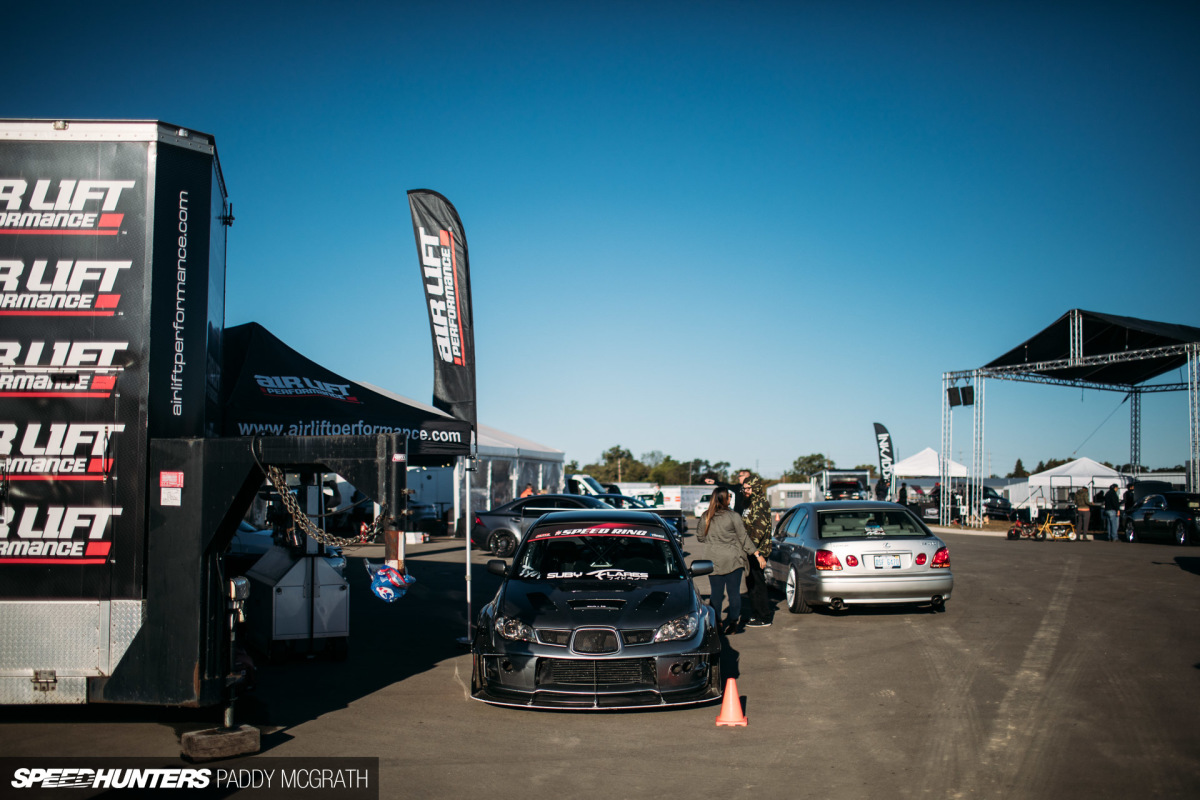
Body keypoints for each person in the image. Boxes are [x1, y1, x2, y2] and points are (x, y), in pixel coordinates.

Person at [695, 487, 759, 635]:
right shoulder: (733, 516)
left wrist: (713, 539)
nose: (730, 498)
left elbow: (700, 537)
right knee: (734, 593)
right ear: (723, 498)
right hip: (733, 559)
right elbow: (743, 537)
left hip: (713, 559)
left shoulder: (706, 516)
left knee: (716, 594)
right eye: (729, 496)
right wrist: (756, 553)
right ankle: (734, 623)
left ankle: (717, 622)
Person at [740, 476, 774, 627]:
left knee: (758, 584)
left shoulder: (760, 503)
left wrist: (753, 550)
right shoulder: (749, 503)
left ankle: (764, 617)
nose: (745, 491)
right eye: (744, 488)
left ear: (756, 488)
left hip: (758, 550)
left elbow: (758, 530)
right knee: (751, 583)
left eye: (748, 488)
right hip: (750, 549)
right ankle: (755, 614)